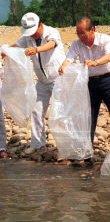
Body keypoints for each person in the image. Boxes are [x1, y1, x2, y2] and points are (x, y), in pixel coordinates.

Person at [59, 16, 110, 148]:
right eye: (78, 33)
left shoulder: (105, 40)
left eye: (82, 33)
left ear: (92, 29)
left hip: (108, 81)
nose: (80, 36)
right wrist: (63, 66)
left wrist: (95, 62)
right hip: (89, 83)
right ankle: (86, 152)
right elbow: (69, 58)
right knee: (88, 119)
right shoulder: (76, 44)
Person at [1, 12, 66, 155]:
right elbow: (16, 45)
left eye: (34, 32)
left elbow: (51, 44)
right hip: (42, 81)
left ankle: (66, 145)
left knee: (61, 112)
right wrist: (7, 51)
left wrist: (36, 49)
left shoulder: (51, 32)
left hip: (58, 78)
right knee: (36, 111)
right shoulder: (27, 37)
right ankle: (37, 144)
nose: (33, 36)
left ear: (40, 25)